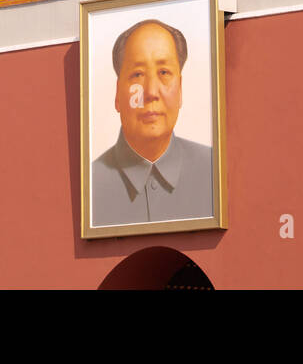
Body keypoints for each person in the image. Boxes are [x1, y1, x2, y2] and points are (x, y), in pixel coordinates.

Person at [89, 19, 213, 227]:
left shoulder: (213, 170)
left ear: (180, 88)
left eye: (164, 73)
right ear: (118, 94)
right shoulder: (91, 184)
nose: (151, 93)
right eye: (137, 75)